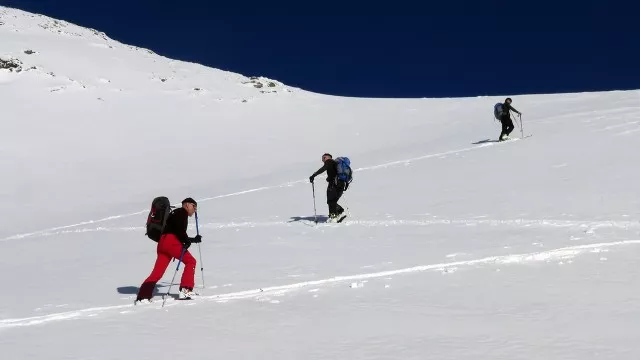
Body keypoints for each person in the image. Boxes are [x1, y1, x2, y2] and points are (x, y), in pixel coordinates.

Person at [136, 197, 202, 303]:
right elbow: (178, 229)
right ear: (187, 205)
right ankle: (186, 290)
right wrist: (186, 240)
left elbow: (175, 231)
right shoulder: (182, 212)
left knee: (157, 272)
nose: (195, 210)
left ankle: (143, 295)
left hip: (163, 243)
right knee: (191, 261)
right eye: (194, 206)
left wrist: (192, 240)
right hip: (171, 242)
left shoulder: (175, 213)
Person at [309, 153, 346, 221]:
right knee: (332, 201)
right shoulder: (335, 163)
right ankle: (339, 212)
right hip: (341, 184)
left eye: (323, 158)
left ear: (326, 157)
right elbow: (333, 173)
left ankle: (333, 217)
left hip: (334, 184)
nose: (322, 160)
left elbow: (323, 169)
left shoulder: (329, 162)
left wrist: (314, 175)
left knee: (331, 200)